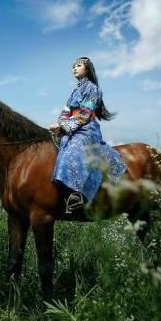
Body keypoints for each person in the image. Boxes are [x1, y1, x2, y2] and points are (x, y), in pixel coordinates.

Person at [49, 57, 127, 213]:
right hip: (72, 127)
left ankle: (77, 194)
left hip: (87, 129)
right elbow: (64, 113)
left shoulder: (93, 89)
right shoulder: (74, 92)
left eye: (79, 66)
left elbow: (84, 115)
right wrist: (60, 126)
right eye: (73, 66)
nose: (74, 68)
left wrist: (62, 125)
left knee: (72, 150)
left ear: (87, 69)